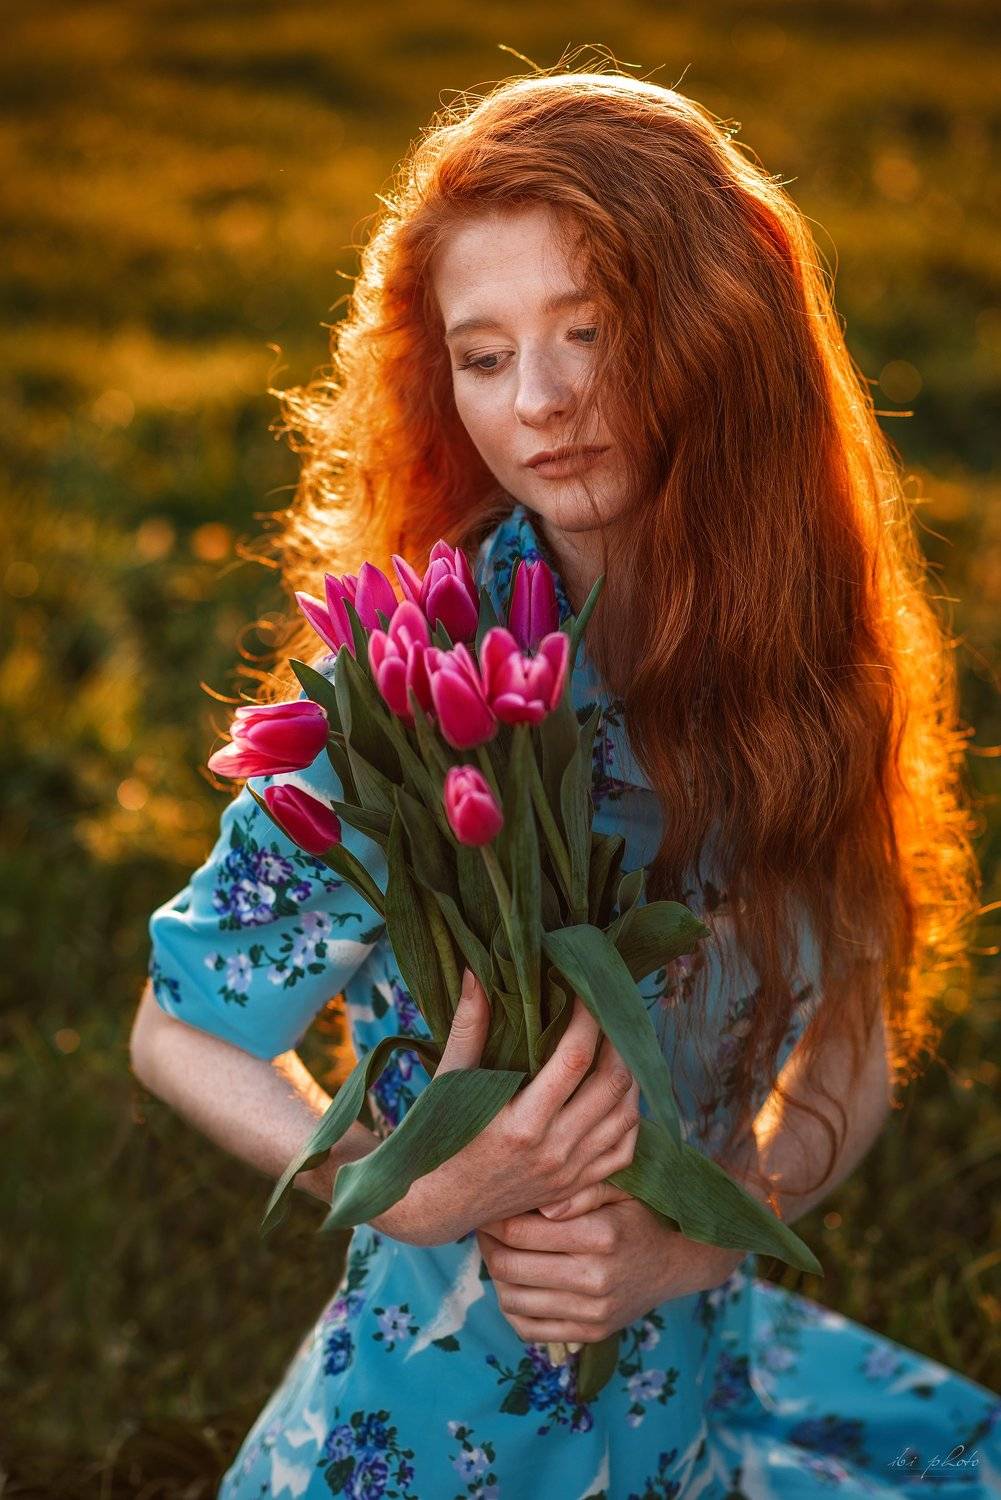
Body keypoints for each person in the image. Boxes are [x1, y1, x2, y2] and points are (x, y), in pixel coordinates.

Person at [130, 66, 1000, 1498]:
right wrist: (400, 1188)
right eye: (482, 357)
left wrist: (706, 1235)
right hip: (429, 1430)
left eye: (589, 332)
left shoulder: (816, 665)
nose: (537, 403)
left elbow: (852, 1032)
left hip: (687, 1379)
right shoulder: (412, 692)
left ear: (717, 335)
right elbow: (180, 1031)